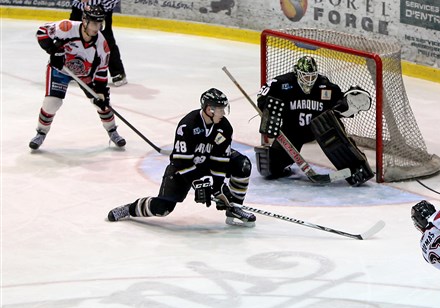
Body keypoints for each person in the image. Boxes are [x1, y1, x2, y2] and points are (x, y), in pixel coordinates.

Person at [107, 88, 256, 227]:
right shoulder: (188, 125)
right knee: (162, 208)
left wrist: (217, 189)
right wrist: (198, 183)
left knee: (242, 164)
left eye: (224, 109)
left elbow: (220, 159)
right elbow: (180, 161)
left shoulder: (225, 127)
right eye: (219, 110)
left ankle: (234, 208)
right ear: (208, 109)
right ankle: (129, 209)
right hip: (183, 169)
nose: (223, 113)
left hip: (207, 164)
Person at [255, 55, 374, 186]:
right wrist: (268, 110)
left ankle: (356, 167)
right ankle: (279, 165)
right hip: (292, 130)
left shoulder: (325, 86)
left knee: (337, 136)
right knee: (273, 169)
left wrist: (349, 105)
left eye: (313, 76)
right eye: (306, 76)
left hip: (320, 128)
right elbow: (262, 96)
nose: (310, 80)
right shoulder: (282, 83)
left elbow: (340, 106)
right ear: (297, 73)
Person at [30, 4, 125, 150]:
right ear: (85, 21)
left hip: (86, 74)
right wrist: (53, 50)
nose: (97, 27)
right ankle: (41, 133)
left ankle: (112, 131)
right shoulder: (66, 27)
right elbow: (42, 32)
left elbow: (101, 71)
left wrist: (101, 91)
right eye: (94, 22)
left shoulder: (102, 45)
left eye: (100, 23)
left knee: (101, 103)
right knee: (52, 103)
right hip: (60, 70)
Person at [70, 0, 127, 87]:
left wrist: (102, 7)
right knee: (73, 38)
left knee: (106, 41)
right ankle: (74, 69)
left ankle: (118, 72)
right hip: (79, 9)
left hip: (100, 10)